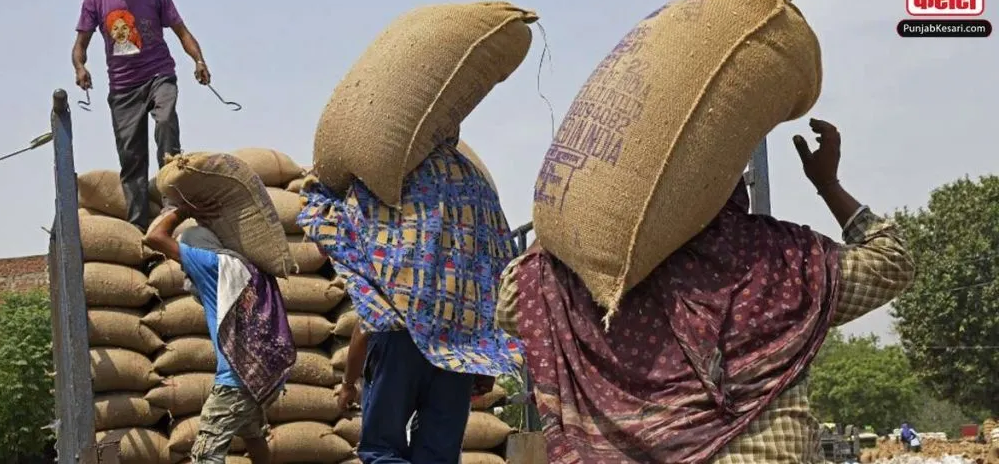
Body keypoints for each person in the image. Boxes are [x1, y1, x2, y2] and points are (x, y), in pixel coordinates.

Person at [496, 119, 916, 463]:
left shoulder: (611, 270)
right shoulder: (783, 260)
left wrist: (570, 215)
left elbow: (515, 304)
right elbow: (892, 262)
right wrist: (827, 184)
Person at [297, 138, 523, 464]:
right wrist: (484, 357)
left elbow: (367, 324)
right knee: (439, 454)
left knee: (382, 450)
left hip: (401, 340)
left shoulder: (383, 189)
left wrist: (348, 384)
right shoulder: (472, 184)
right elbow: (491, 271)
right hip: (458, 343)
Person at [73, 0, 211, 232]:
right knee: (132, 160)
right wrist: (80, 68)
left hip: (159, 73)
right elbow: (80, 46)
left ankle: (173, 204)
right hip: (123, 88)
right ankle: (139, 229)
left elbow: (182, 32)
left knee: (165, 124)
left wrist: (198, 60)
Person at [145, 206, 297, 464]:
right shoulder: (249, 268)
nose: (185, 272)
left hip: (235, 378)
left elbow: (154, 237)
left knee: (206, 453)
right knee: (253, 435)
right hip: (261, 375)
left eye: (185, 264)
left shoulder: (211, 264)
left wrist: (184, 210)